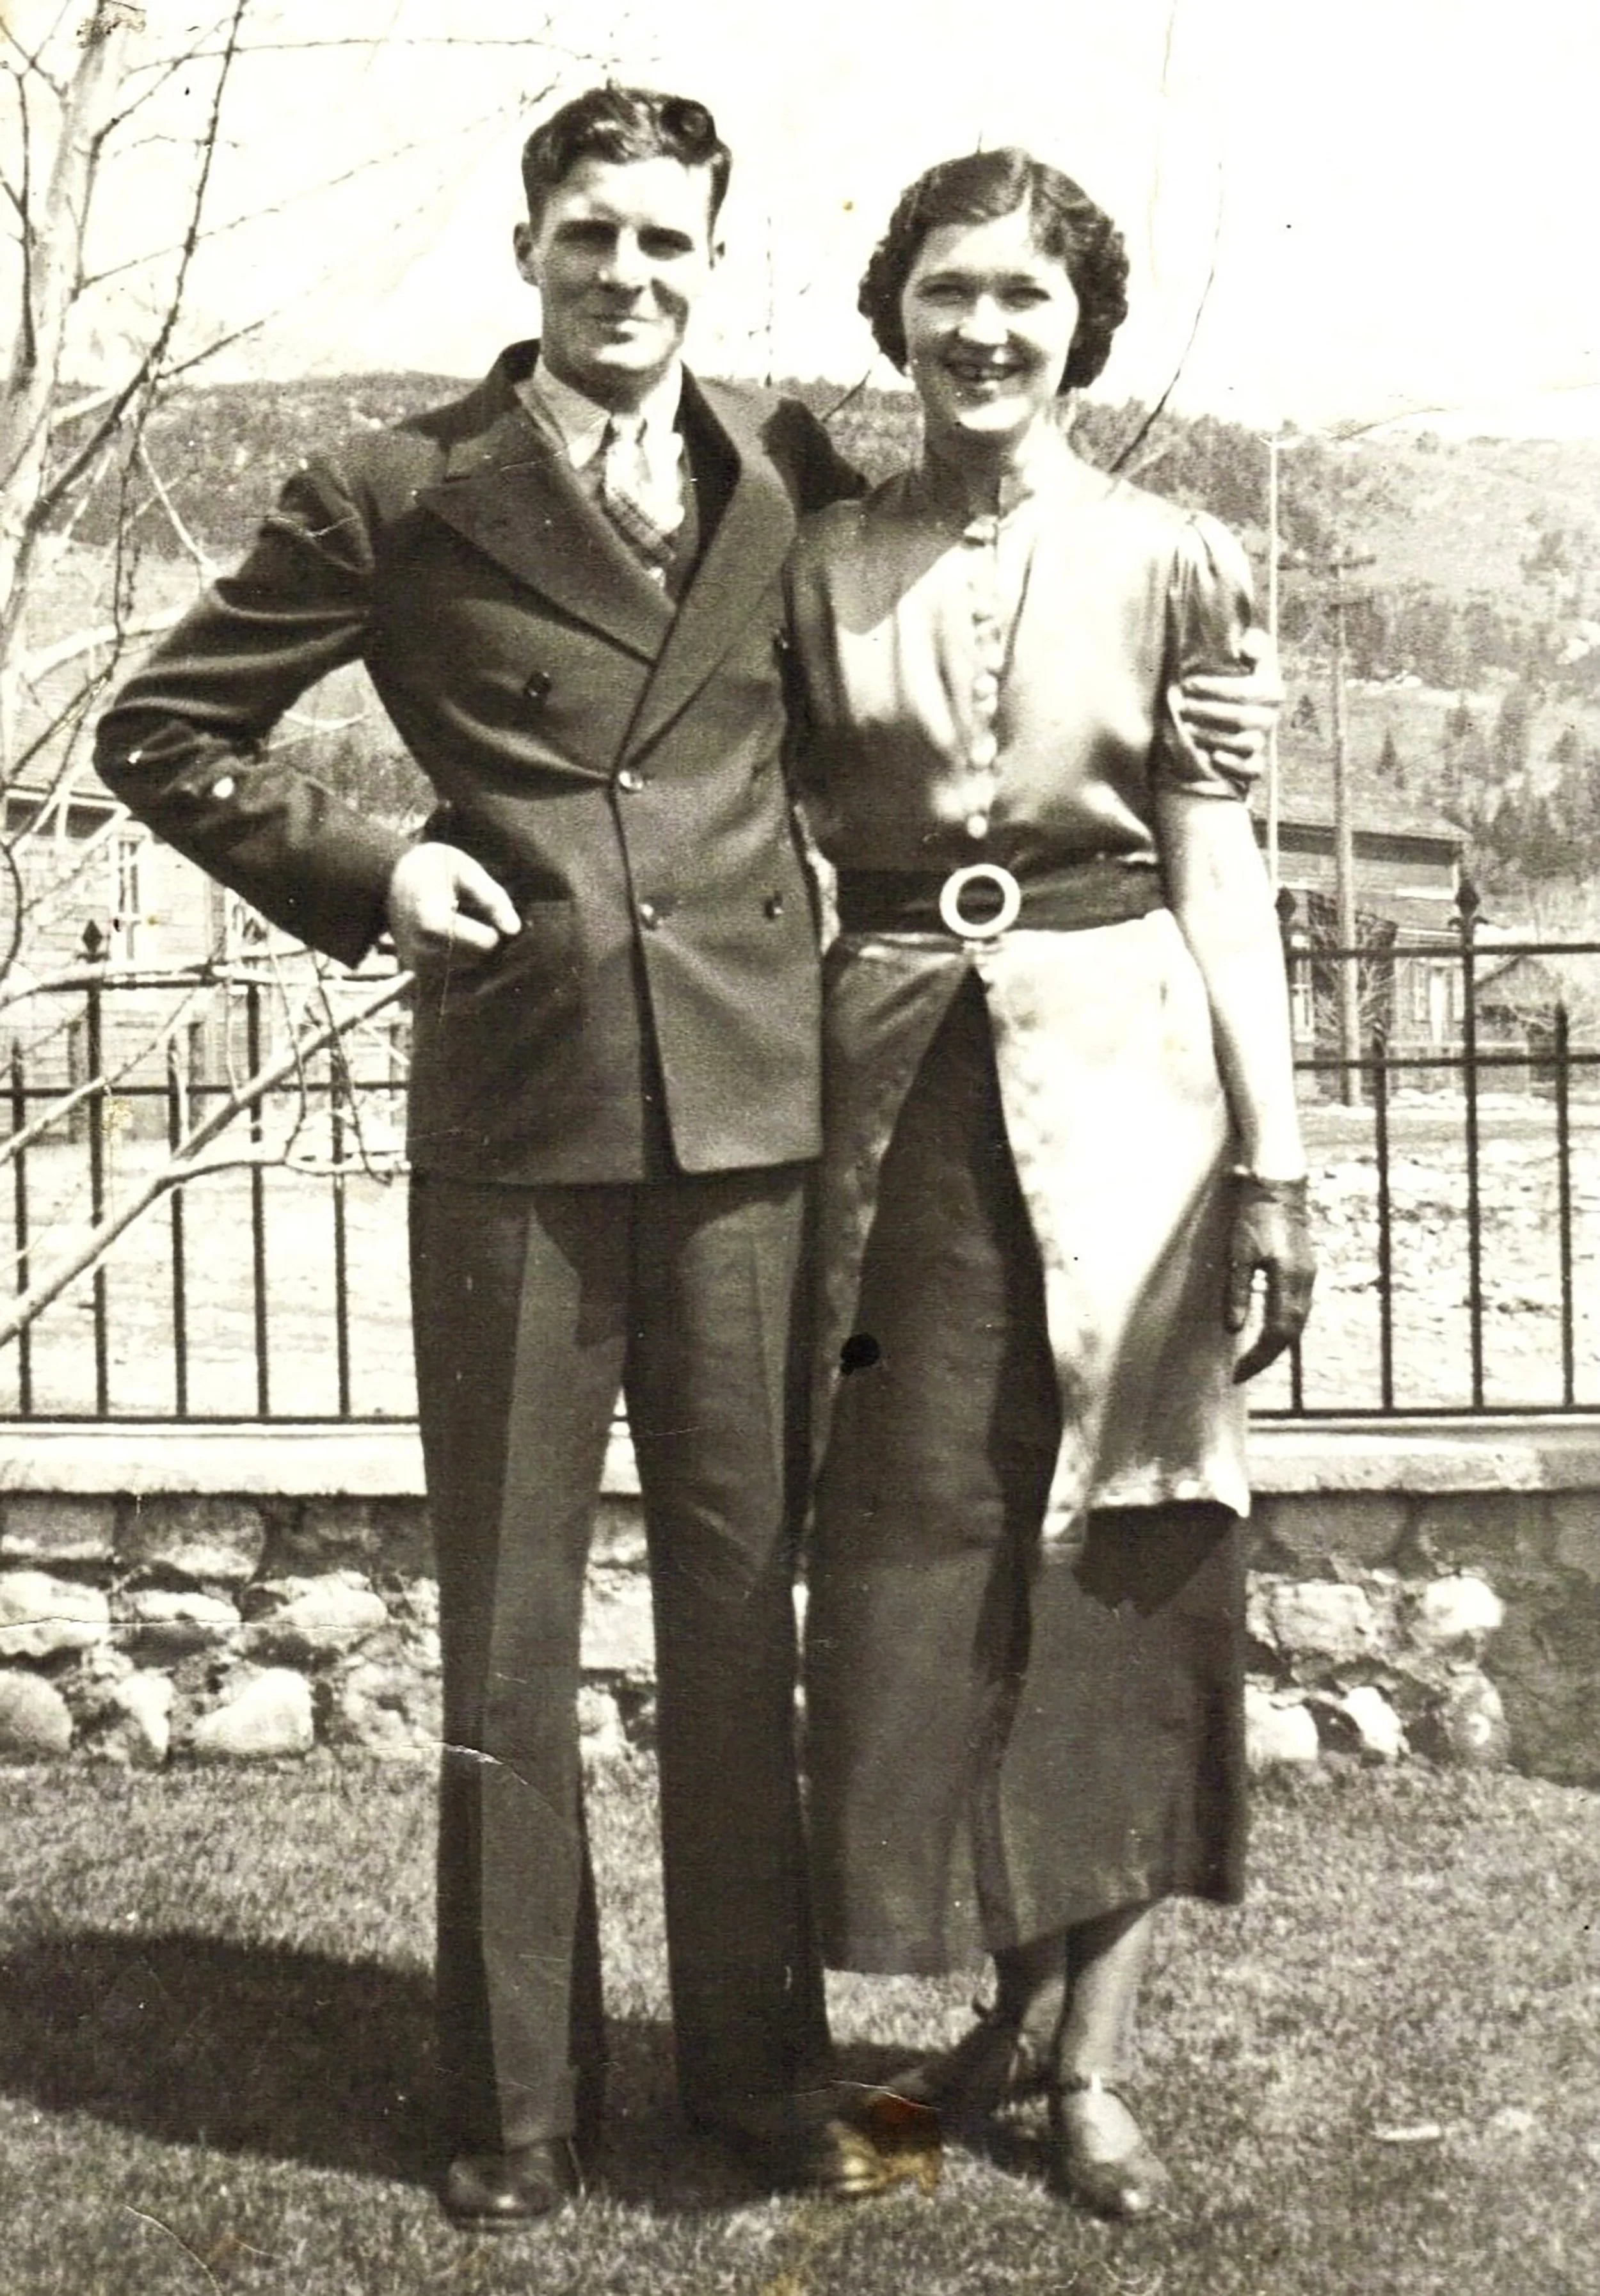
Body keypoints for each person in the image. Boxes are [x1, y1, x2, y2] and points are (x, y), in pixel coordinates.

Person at [95, 90, 1279, 2226]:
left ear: (710, 262)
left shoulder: (782, 471)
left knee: (742, 1617)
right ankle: (513, 2101)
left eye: (665, 242)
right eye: (590, 234)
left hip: (753, 1118)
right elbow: (163, 732)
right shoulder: (395, 489)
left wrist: (1211, 715)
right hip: (524, 1116)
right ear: (528, 247)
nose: (625, 276)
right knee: (509, 1629)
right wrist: (374, 870)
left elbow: (969, 633)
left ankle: (755, 2081)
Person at [785, 147, 1315, 2220]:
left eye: (1022, 292)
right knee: (932, 1550)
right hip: (893, 1100)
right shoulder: (823, 560)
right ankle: (992, 2014)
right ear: (895, 314)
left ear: (1080, 321)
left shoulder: (1176, 559)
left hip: (1130, 1098)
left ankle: (1089, 2061)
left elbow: (1215, 865)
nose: (982, 329)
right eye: (947, 290)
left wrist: (1273, 1161)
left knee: (1127, 1551)